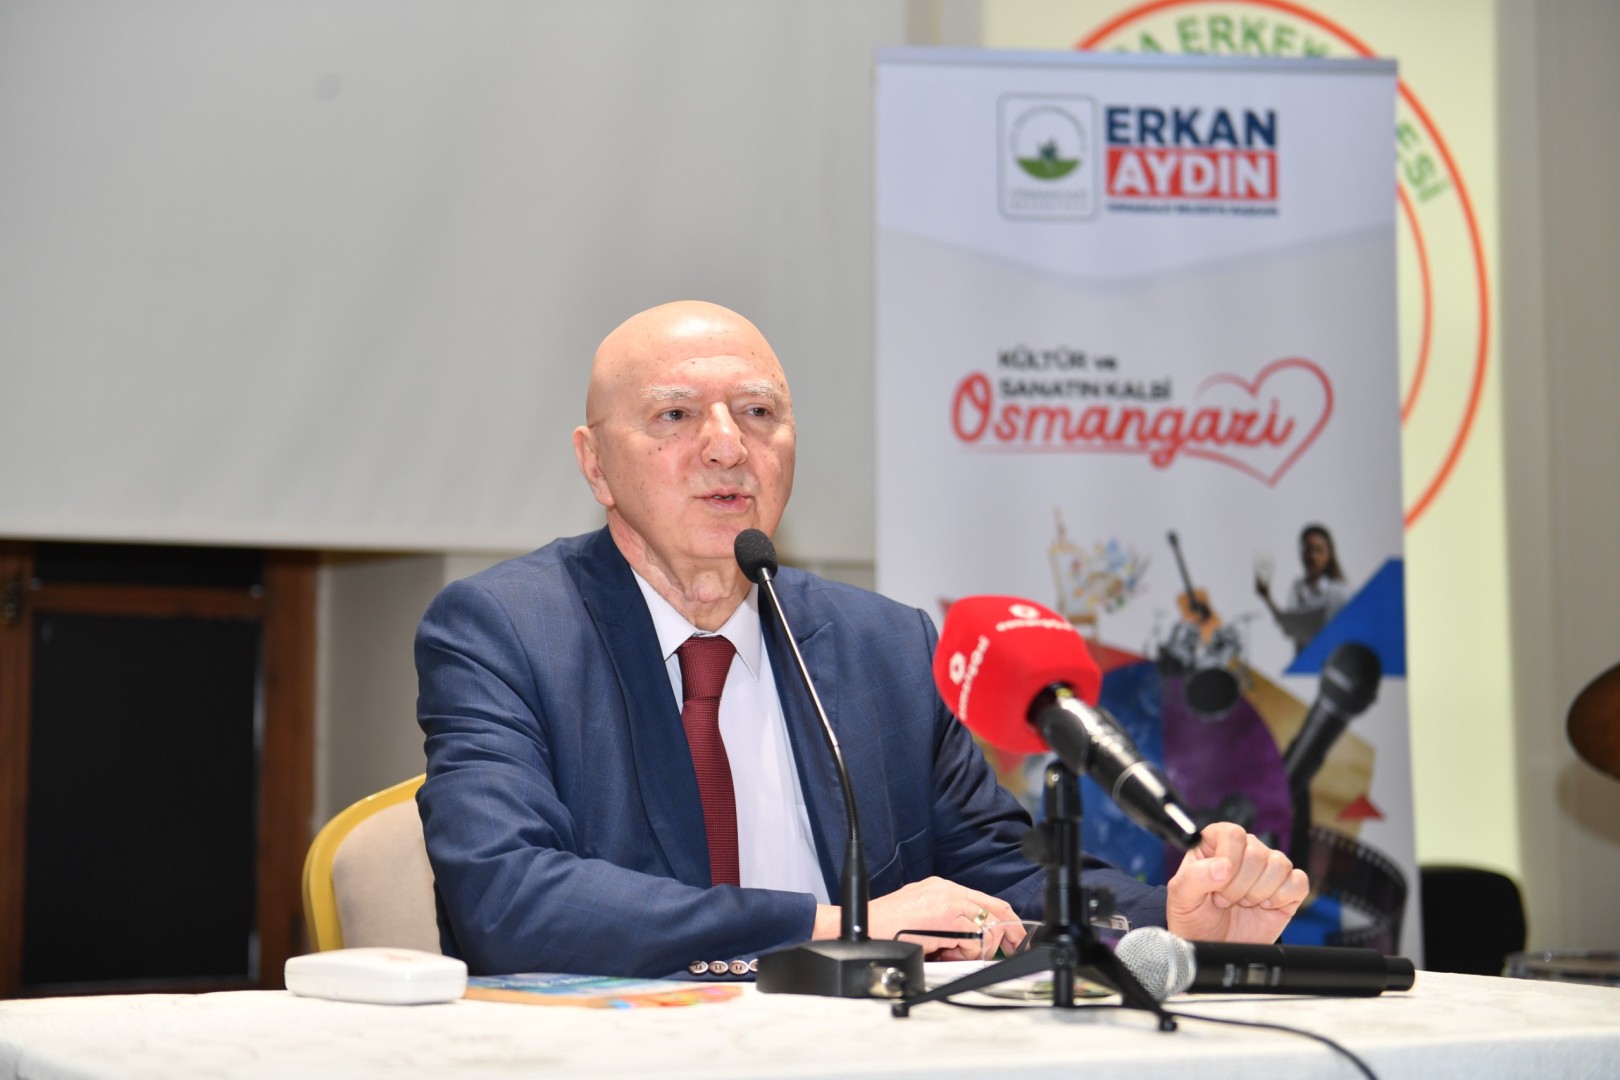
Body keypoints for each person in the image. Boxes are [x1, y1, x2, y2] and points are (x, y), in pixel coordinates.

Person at [415, 300, 1309, 978]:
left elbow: (998, 871)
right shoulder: (505, 632)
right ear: (595, 464)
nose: (727, 447)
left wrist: (1174, 916)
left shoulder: (883, 647)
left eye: (758, 413)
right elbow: (508, 899)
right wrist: (837, 926)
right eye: (675, 416)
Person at [1257, 524, 1352, 654]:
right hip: (1304, 659)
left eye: (1319, 550)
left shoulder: (1339, 592)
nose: (1313, 557)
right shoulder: (1298, 587)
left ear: (1329, 553)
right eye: (1308, 550)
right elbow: (1289, 626)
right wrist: (1267, 597)